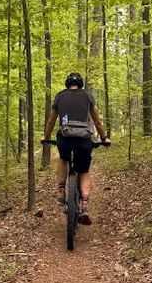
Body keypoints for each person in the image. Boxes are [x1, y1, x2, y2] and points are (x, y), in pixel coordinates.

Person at [42, 72, 109, 225]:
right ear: (81, 84)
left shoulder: (60, 96)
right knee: (84, 170)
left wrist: (46, 137)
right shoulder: (87, 96)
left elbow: (52, 120)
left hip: (65, 138)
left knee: (64, 159)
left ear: (67, 84)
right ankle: (84, 204)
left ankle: (60, 190)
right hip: (83, 139)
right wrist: (104, 138)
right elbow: (97, 121)